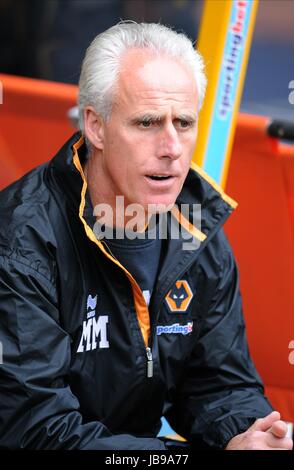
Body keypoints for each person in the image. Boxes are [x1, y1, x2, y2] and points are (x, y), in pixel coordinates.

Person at [0, 22, 292, 451]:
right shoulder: (19, 244)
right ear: (95, 127)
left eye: (185, 122)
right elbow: (37, 432)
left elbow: (218, 386)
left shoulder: (197, 227)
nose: (171, 146)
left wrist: (248, 434)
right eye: (148, 122)